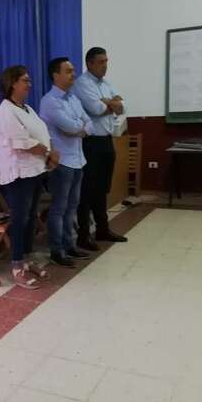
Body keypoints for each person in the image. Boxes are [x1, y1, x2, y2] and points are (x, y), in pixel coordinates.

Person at [0, 65, 59, 289]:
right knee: (20, 220)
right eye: (25, 80)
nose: (29, 84)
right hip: (19, 175)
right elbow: (23, 142)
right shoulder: (6, 110)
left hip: (36, 170)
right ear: (12, 83)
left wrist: (50, 153)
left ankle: (27, 260)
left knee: (31, 219)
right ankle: (17, 267)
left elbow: (42, 133)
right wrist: (49, 153)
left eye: (29, 80)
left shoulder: (27, 109)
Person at [39, 57, 94, 268]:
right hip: (61, 163)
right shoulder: (49, 101)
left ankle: (69, 245)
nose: (73, 74)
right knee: (59, 208)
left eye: (73, 70)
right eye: (69, 71)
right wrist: (78, 128)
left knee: (72, 207)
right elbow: (70, 127)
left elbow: (89, 124)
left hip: (78, 160)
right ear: (56, 75)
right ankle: (57, 251)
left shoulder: (74, 99)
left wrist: (78, 129)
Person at [72, 47, 128, 250]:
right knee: (87, 190)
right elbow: (96, 109)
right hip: (90, 143)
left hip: (106, 140)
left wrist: (110, 103)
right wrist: (111, 103)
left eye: (106, 61)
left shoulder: (106, 84)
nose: (105, 65)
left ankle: (103, 229)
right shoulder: (82, 83)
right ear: (90, 63)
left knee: (102, 188)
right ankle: (83, 235)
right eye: (101, 62)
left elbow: (122, 106)